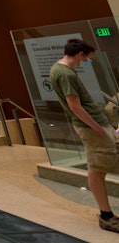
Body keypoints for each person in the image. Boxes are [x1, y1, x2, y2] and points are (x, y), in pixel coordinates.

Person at [50, 38, 119, 233]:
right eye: (87, 58)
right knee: (98, 168)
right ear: (80, 54)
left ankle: (106, 215)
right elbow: (75, 106)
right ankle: (106, 216)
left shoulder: (61, 70)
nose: (87, 62)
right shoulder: (65, 74)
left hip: (97, 124)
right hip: (93, 127)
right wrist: (97, 128)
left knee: (97, 167)